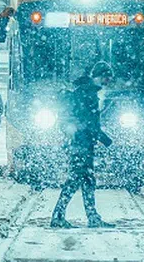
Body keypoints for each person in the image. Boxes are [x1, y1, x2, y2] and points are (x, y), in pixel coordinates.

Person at [50, 62, 115, 229]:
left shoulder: (85, 91)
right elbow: (89, 122)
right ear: (98, 76)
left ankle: (92, 217)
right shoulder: (87, 93)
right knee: (76, 180)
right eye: (106, 77)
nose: (107, 82)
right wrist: (105, 140)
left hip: (81, 142)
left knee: (86, 180)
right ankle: (58, 216)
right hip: (82, 143)